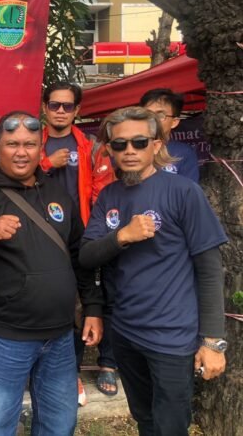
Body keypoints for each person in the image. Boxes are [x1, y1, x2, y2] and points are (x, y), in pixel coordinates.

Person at [0, 111, 103, 436]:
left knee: (60, 425)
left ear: (40, 148)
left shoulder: (57, 193)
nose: (21, 152)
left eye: (29, 144)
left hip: (60, 336)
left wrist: (93, 307)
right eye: (12, 144)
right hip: (7, 339)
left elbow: (79, 254)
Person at [80, 106, 227, 436]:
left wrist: (213, 341)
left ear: (156, 145)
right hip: (126, 333)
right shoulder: (109, 195)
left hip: (172, 337)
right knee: (145, 419)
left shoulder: (183, 192)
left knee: (170, 426)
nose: (129, 151)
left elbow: (209, 269)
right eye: (120, 144)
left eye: (139, 142)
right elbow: (87, 256)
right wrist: (122, 236)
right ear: (110, 149)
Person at [39, 81, 116, 401]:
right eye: (54, 105)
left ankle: (70, 374)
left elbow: (103, 195)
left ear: (77, 110)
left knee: (78, 308)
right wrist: (46, 164)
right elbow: (13, 178)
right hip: (36, 238)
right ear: (44, 107)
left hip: (76, 239)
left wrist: (92, 237)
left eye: (67, 106)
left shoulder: (92, 147)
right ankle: (38, 371)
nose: (60, 111)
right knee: (40, 302)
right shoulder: (31, 142)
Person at [139, 88, 200, 182]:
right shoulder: (127, 147)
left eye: (160, 115)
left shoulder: (184, 153)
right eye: (147, 114)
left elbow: (188, 189)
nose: (152, 119)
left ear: (174, 122)